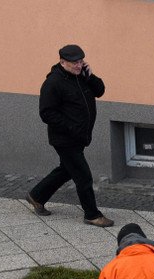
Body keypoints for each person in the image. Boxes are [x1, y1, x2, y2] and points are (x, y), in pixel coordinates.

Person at [26, 44, 113, 228]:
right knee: (83, 176)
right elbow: (46, 113)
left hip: (79, 136)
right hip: (65, 139)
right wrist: (71, 127)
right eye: (75, 63)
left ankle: (37, 196)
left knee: (66, 170)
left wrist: (90, 76)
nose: (79, 65)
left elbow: (100, 91)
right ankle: (92, 214)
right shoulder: (53, 83)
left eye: (81, 62)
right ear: (62, 62)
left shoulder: (82, 76)